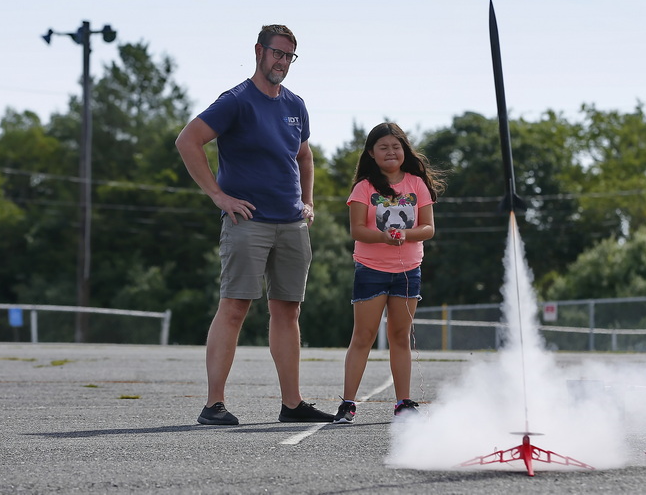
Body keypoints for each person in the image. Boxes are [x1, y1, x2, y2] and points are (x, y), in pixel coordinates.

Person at [175, 24, 333, 425]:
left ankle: (292, 404)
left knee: (288, 312)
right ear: (259, 51)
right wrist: (219, 196)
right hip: (248, 223)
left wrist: (309, 202)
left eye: (289, 56)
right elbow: (187, 141)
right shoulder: (236, 101)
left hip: (292, 223)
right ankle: (213, 405)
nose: (282, 62)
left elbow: (304, 156)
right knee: (234, 308)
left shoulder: (295, 105)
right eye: (277, 53)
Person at [333, 122, 445, 424]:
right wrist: (384, 237)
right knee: (363, 336)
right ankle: (347, 403)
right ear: (372, 153)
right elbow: (357, 229)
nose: (390, 152)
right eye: (383, 147)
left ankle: (403, 402)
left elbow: (428, 228)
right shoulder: (364, 188)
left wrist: (406, 234)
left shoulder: (417, 184)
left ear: (404, 150)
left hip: (408, 271)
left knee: (400, 336)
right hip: (370, 270)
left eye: (396, 146)